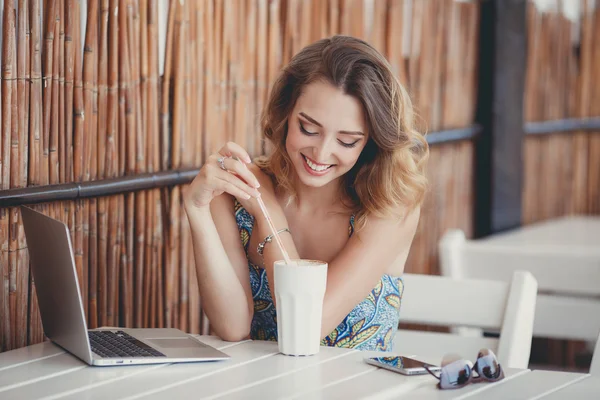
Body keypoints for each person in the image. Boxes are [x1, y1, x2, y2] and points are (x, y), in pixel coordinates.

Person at [183, 35, 429, 352]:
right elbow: (233, 327)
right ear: (286, 111)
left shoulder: (391, 205)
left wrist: (268, 215)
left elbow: (309, 323)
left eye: (347, 141)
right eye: (309, 129)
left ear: (371, 141)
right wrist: (198, 209)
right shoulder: (239, 189)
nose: (322, 153)